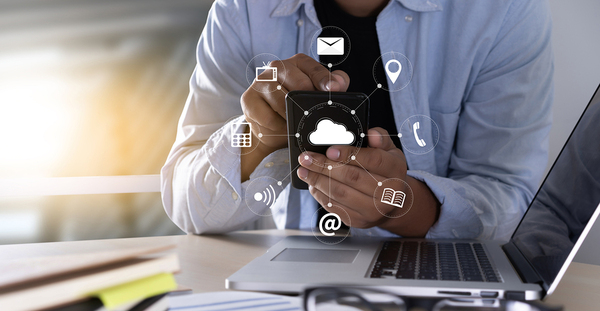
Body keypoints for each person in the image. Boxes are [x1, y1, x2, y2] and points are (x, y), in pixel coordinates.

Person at [161, 0, 554, 240]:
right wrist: (258, 140)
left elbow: (513, 203)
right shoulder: (242, 8)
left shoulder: (503, 9)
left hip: (438, 298)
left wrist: (405, 208)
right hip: (287, 294)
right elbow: (189, 208)